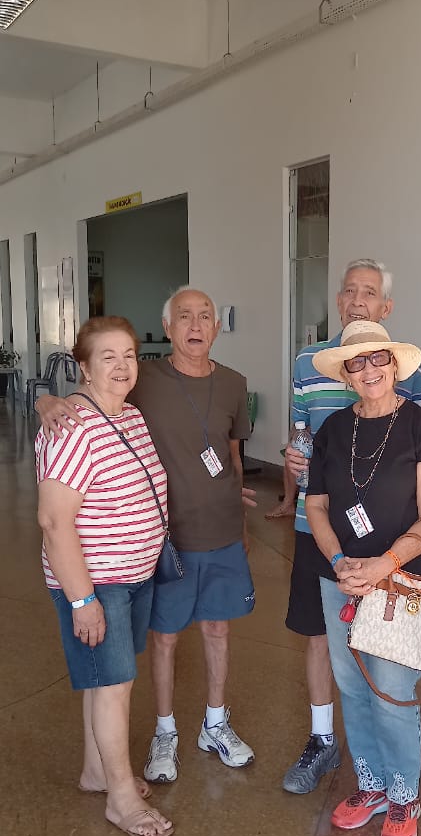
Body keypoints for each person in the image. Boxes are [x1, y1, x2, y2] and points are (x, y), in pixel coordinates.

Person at [36, 287, 256, 786]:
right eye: (184, 317)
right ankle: (164, 733)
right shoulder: (145, 379)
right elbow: (88, 399)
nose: (195, 325)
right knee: (162, 640)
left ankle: (214, 725)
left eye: (205, 316)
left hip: (213, 534)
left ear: (216, 327)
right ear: (169, 327)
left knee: (216, 631)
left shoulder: (231, 384)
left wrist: (240, 522)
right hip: (164, 546)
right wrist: (47, 401)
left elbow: (232, 457)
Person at [281, 260, 421, 795]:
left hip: (392, 543)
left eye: (369, 293)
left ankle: (399, 773)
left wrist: (392, 555)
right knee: (328, 643)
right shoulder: (307, 365)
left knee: (388, 666)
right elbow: (299, 435)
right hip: (322, 533)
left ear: (386, 307)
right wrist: (293, 459)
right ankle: (328, 743)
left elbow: (418, 462)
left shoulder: (414, 387)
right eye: (349, 291)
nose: (357, 300)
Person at [305, 321, 421, 836]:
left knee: (390, 691)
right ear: (346, 373)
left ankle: (404, 794)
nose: (369, 369)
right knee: (352, 687)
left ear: (394, 365)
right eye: (357, 362)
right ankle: (371, 787)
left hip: (402, 583)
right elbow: (316, 505)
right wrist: (340, 561)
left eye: (378, 359)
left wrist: (382, 565)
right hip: (341, 580)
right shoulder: (332, 430)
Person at [36, 317, 173, 836]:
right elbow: (54, 521)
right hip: (96, 585)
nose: (121, 366)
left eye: (129, 355)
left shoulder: (130, 416)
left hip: (134, 576)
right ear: (84, 368)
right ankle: (120, 799)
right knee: (113, 686)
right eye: (107, 357)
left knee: (109, 680)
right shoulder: (72, 428)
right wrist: (81, 601)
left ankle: (97, 771)